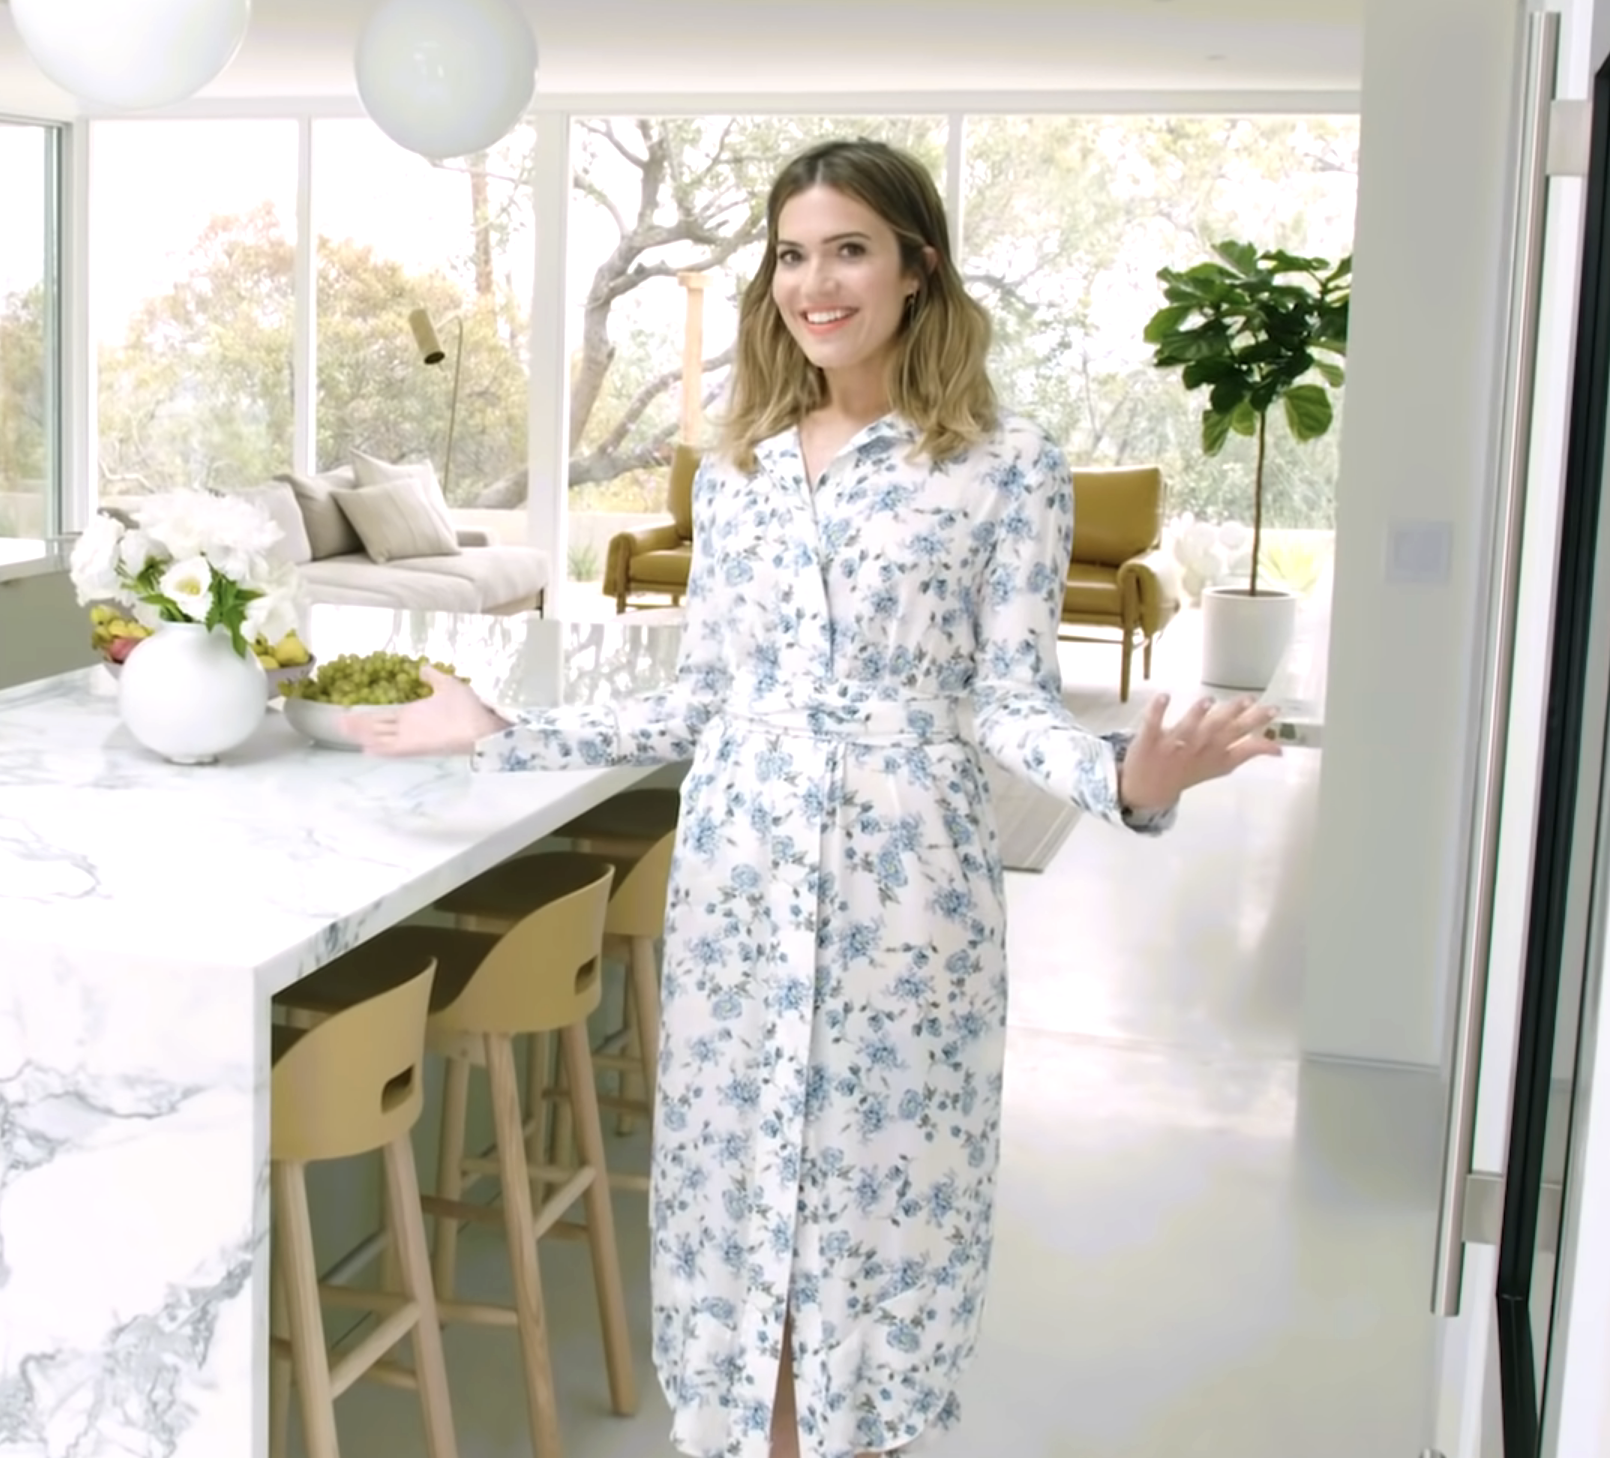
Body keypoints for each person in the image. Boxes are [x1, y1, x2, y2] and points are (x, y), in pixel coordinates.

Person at [343, 137, 1283, 1458]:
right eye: (793, 253)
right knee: (740, 1208)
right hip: (741, 875)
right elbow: (701, 695)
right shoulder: (738, 463)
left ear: (918, 266)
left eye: (849, 248)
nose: (815, 282)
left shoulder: (1009, 463)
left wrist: (1130, 779)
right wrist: (502, 730)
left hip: (912, 894)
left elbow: (1009, 697)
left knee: (879, 1208)